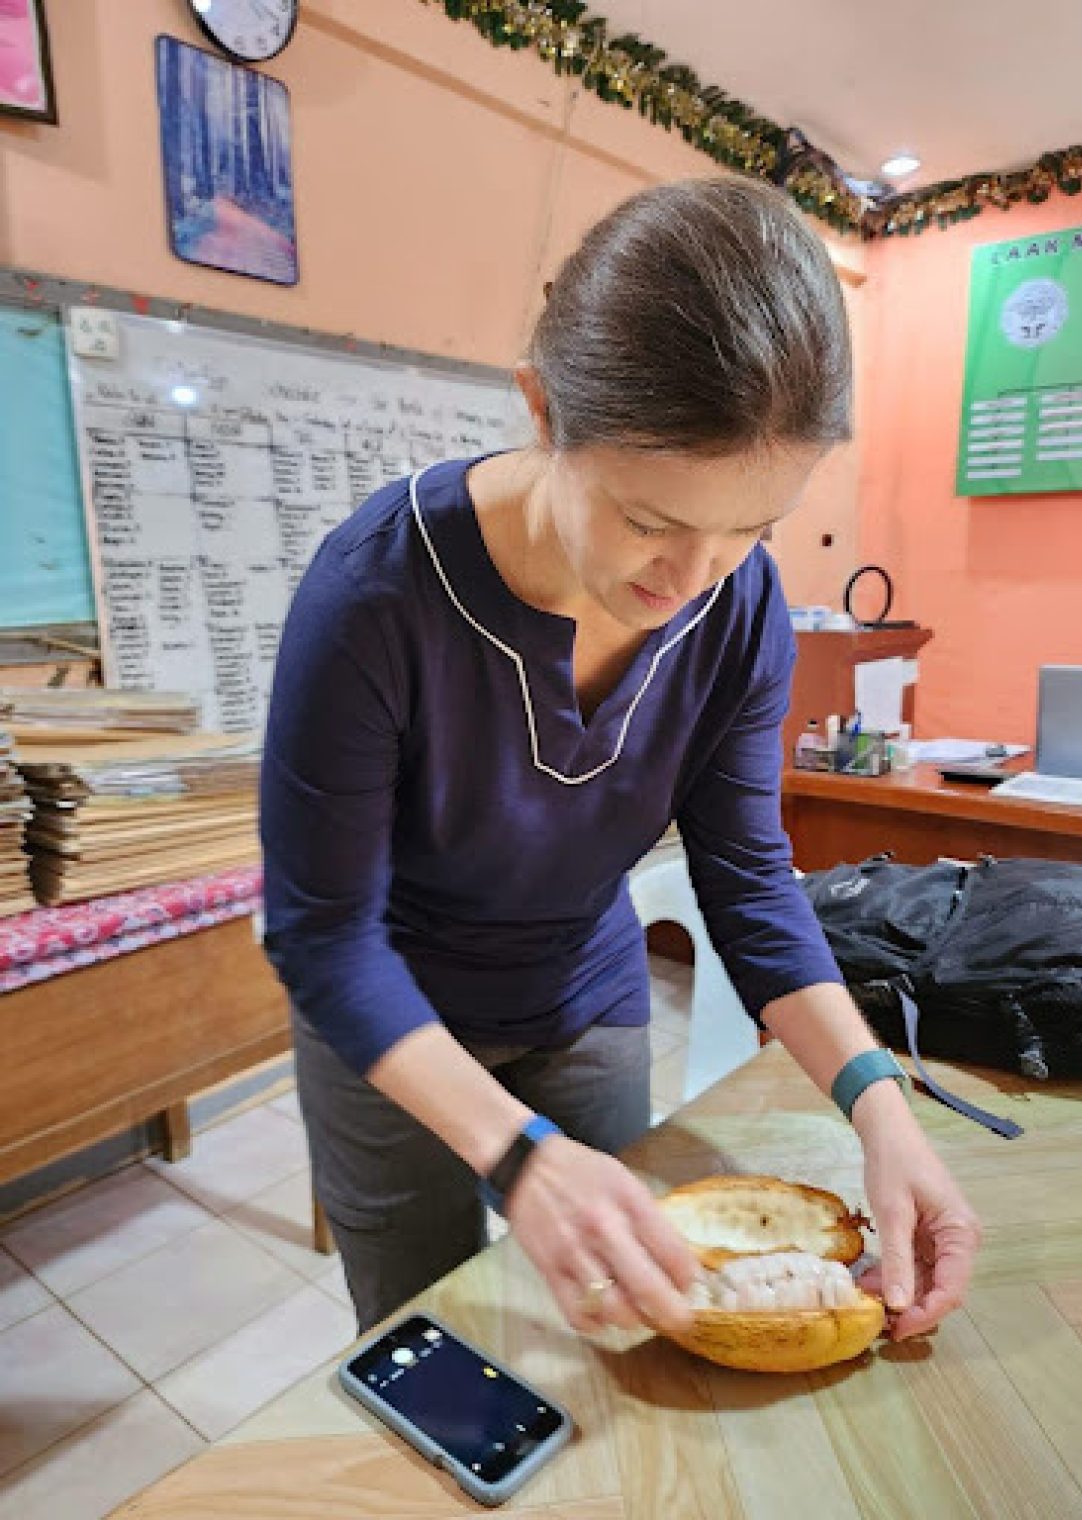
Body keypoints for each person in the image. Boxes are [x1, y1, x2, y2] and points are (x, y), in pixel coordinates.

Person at [260, 175, 981, 1343]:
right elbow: (321, 933)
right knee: (425, 1335)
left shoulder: (738, 607)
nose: (694, 576)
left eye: (751, 526)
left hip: (583, 1001)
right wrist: (518, 1155)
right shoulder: (375, 597)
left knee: (626, 1321)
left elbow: (746, 875)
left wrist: (880, 1106)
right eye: (651, 520)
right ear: (544, 409)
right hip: (391, 1023)